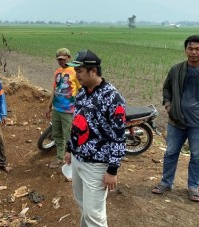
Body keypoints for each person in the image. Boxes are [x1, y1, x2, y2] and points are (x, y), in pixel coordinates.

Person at [152, 35, 199, 202]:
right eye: (190, 49)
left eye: (198, 49)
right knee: (171, 153)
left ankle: (193, 187)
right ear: (185, 50)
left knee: (197, 155)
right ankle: (166, 182)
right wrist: (169, 105)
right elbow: (166, 89)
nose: (194, 52)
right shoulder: (176, 70)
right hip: (176, 122)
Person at [64, 49, 126, 226]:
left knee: (94, 215)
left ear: (93, 71)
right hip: (78, 159)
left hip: (97, 166)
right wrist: (70, 149)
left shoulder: (112, 98)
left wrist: (113, 170)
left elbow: (119, 137)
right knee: (83, 205)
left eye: (79, 71)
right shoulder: (82, 92)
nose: (76, 76)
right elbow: (76, 123)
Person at [45, 48, 81, 168]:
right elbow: (54, 90)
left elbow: (81, 90)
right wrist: (49, 106)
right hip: (57, 109)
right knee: (57, 134)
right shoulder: (57, 72)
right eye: (59, 60)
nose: (61, 62)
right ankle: (60, 158)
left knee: (69, 136)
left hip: (69, 111)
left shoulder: (75, 72)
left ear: (68, 58)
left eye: (63, 59)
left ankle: (73, 162)